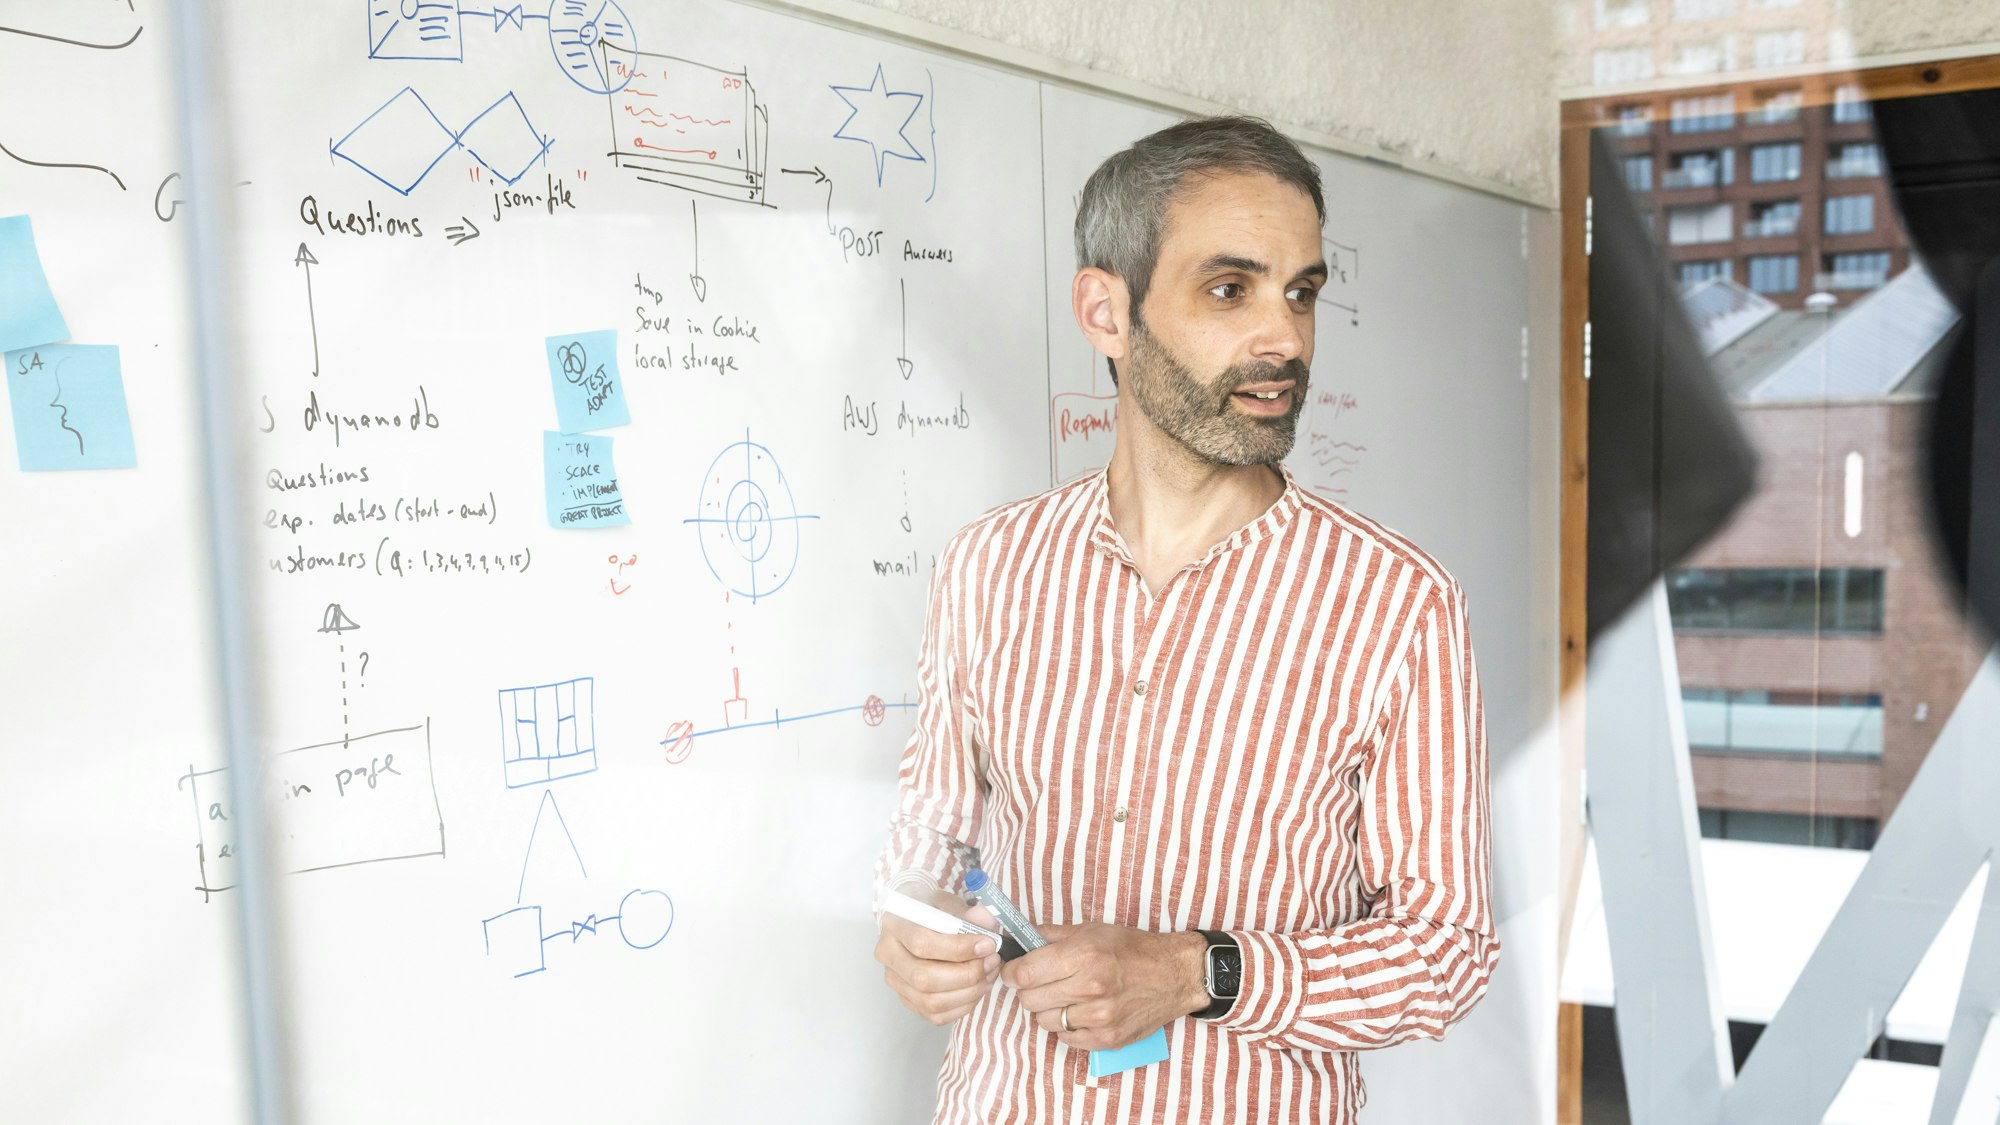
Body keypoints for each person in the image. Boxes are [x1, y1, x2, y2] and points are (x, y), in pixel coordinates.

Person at [873, 115, 1499, 1124]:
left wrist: (1197, 971)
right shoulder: (987, 565)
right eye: (1229, 289)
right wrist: (909, 921)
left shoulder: (1398, 603)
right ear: (1104, 310)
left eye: (1300, 293)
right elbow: (933, 828)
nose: (1284, 337)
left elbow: (1443, 954)